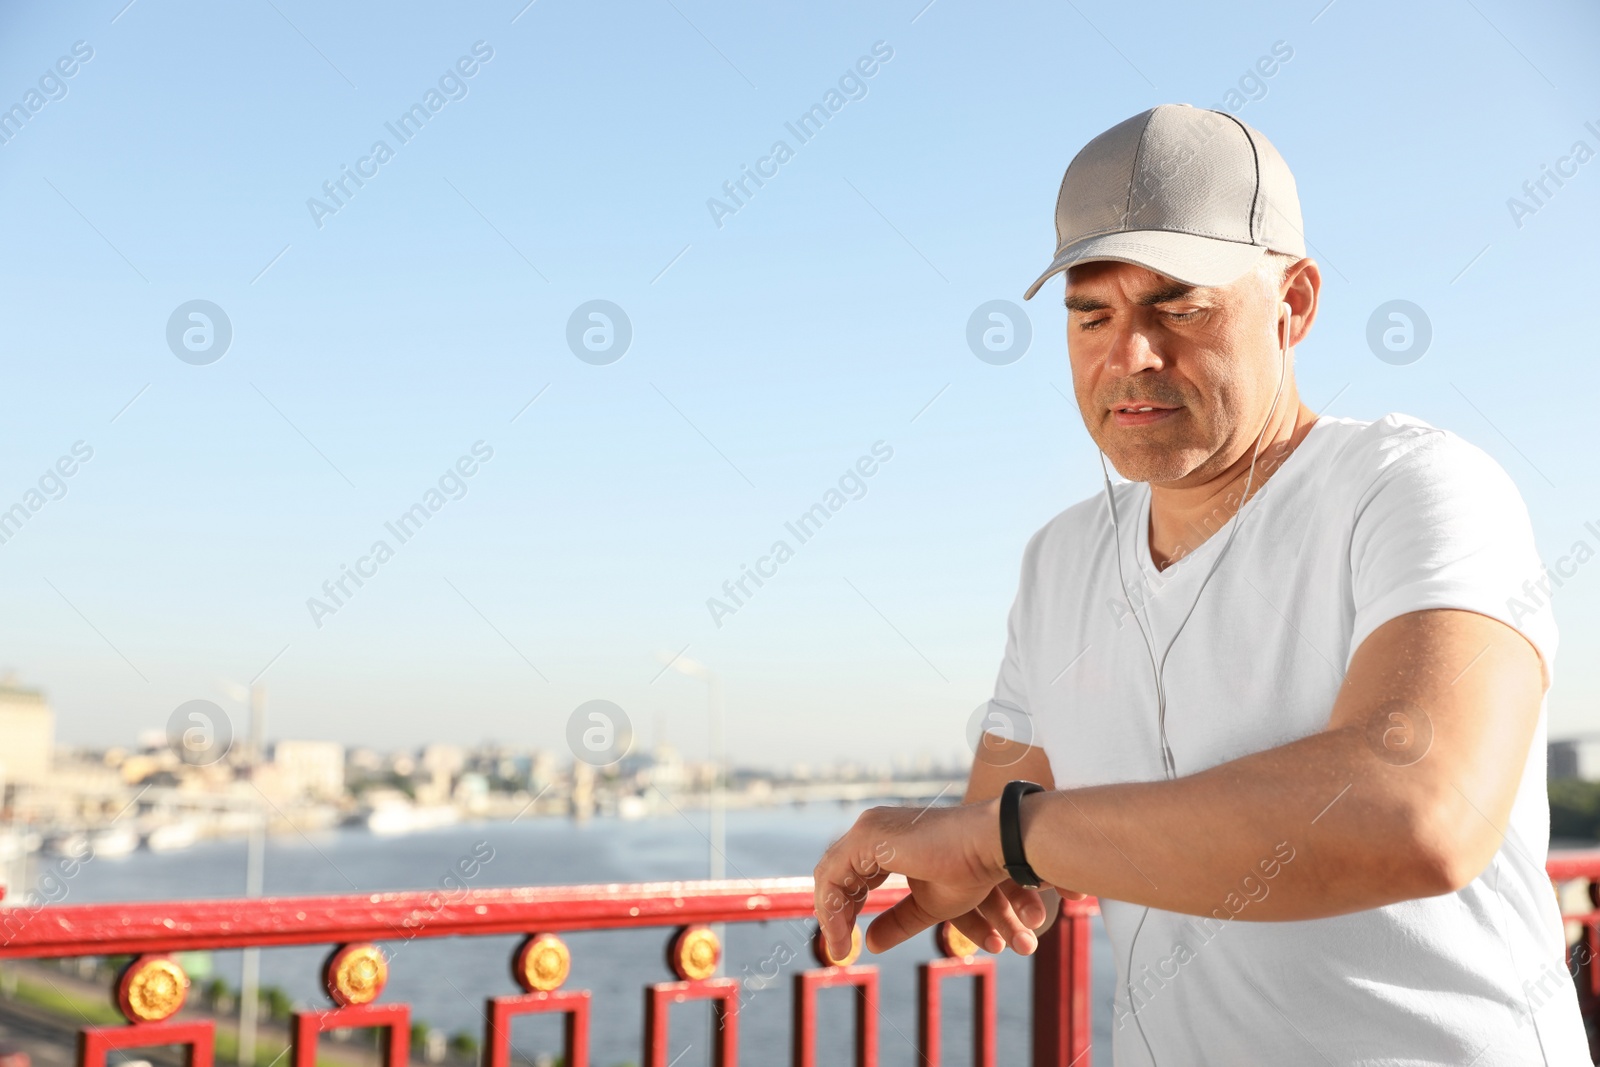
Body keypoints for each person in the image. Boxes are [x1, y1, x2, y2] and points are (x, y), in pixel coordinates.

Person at [811, 103, 1589, 1065]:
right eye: (1091, 313)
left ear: (1294, 303)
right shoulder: (1059, 562)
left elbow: (1423, 811)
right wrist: (976, 872)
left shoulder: (1417, 487)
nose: (1128, 354)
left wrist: (1009, 842)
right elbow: (1001, 831)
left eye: (1179, 306)